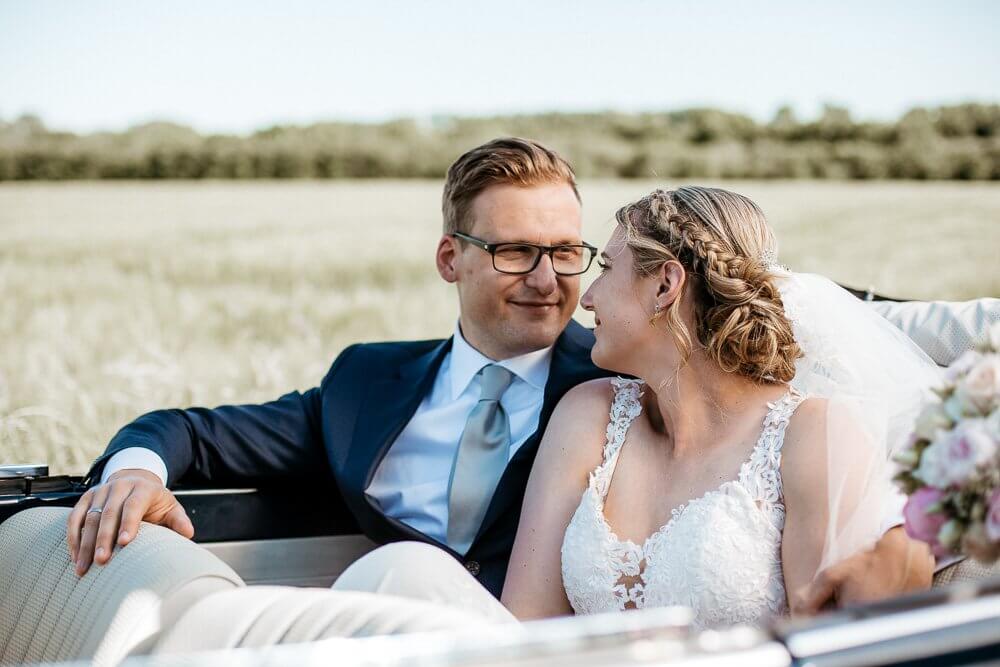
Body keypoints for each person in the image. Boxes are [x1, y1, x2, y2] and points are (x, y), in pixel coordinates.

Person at [67, 142, 932, 613]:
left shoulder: (605, 392)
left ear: (660, 283)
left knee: (396, 575)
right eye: (519, 250)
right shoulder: (371, 384)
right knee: (396, 573)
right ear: (452, 258)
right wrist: (134, 471)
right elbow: (195, 430)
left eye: (574, 253)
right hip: (459, 638)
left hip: (476, 637)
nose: (561, 283)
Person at [330, 186, 941, 628]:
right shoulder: (589, 414)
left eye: (607, 267)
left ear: (665, 285)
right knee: (404, 572)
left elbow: (829, 644)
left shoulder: (813, 435)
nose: (585, 295)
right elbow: (524, 628)